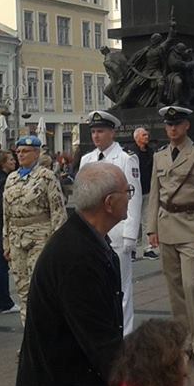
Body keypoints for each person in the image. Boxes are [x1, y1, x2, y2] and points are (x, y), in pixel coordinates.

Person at [15, 164, 127, 386]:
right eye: (126, 192)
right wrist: (148, 382)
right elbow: (100, 339)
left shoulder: (89, 242)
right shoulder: (76, 257)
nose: (130, 197)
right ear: (109, 203)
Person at [146, 106, 194, 371]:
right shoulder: (160, 155)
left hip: (191, 227)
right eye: (168, 125)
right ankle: (184, 342)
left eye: (177, 124)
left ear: (187, 125)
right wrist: (151, 227)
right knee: (175, 291)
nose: (172, 129)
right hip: (167, 227)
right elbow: (155, 193)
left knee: (191, 287)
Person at [78, 112, 141, 333]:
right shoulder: (87, 160)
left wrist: (130, 234)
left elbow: (133, 197)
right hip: (93, 232)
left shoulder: (125, 158)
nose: (96, 136)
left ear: (112, 133)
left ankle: (125, 335)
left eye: (101, 131)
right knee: (94, 284)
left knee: (121, 287)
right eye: (93, 131)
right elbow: (82, 199)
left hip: (117, 232)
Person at [3, 136, 67, 332]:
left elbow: (58, 211)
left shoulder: (46, 177)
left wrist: (56, 245)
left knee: (39, 289)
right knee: (22, 289)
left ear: (37, 153)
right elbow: (7, 213)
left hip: (41, 237)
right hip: (17, 239)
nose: (21, 155)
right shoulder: (11, 178)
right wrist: (6, 242)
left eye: (26, 151)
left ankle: (45, 336)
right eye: (19, 152)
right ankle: (29, 337)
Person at [0, 149, 18, 314]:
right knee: (1, 264)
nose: (14, 162)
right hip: (2, 226)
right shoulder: (4, 181)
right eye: (10, 160)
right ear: (2, 163)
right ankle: (4, 301)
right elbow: (3, 207)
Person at [133, 127, 156, 260]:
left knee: (147, 219)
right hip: (135, 192)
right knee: (134, 220)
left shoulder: (150, 152)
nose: (147, 137)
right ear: (137, 138)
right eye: (144, 135)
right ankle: (132, 249)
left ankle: (148, 249)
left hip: (147, 190)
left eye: (147, 135)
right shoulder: (132, 154)